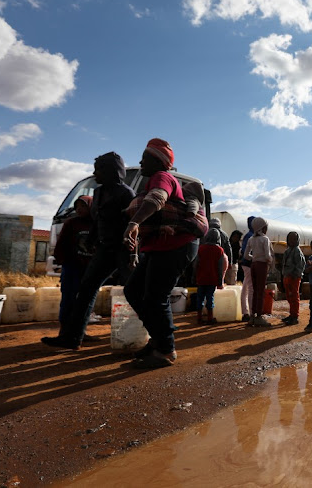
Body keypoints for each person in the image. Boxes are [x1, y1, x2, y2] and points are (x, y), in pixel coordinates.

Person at [123, 138, 204, 368]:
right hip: (161, 245)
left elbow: (157, 199)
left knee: (155, 297)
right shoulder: (154, 180)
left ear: (157, 161)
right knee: (134, 290)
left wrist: (133, 223)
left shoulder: (162, 177)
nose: (140, 162)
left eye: (145, 157)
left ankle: (165, 350)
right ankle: (158, 340)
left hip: (175, 244)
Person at [42, 152, 135, 350]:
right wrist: (92, 240)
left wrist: (132, 254)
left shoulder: (126, 194)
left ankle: (158, 337)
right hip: (104, 249)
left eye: (99, 169)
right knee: (85, 290)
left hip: (122, 249)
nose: (95, 174)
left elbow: (134, 224)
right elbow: (97, 220)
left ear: (111, 171)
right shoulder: (99, 193)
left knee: (134, 291)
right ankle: (72, 339)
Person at [52, 195, 93, 338]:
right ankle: (64, 331)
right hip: (72, 267)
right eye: (77, 207)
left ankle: (80, 331)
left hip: (89, 269)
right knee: (68, 299)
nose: (79, 210)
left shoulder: (97, 224)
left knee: (84, 302)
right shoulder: (71, 223)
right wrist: (62, 261)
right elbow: (61, 243)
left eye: (83, 206)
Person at [243, 217, 273, 327]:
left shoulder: (251, 239)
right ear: (263, 228)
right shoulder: (265, 239)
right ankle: (259, 316)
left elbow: (246, 255)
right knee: (260, 291)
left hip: (254, 265)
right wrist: (270, 260)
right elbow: (267, 255)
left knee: (255, 291)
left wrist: (254, 257)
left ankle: (252, 316)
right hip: (262, 266)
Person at [196, 228, 228, 325]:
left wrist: (194, 277)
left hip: (201, 278)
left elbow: (196, 264)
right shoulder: (220, 250)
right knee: (210, 298)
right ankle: (210, 318)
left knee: (200, 298)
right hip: (212, 279)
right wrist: (220, 281)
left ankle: (199, 318)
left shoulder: (201, 248)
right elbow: (220, 267)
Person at [282, 231, 305, 325]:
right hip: (287, 276)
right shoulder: (288, 250)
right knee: (289, 296)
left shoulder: (297, 251)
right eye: (290, 239)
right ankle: (292, 315)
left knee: (294, 296)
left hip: (294, 277)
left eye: (294, 239)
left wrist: (295, 275)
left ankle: (295, 316)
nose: (292, 241)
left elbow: (301, 265)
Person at [238, 216, 255, 323]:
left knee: (245, 287)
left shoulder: (248, 235)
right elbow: (245, 251)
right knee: (250, 289)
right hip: (249, 264)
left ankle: (245, 312)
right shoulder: (251, 236)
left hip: (246, 264)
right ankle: (251, 314)